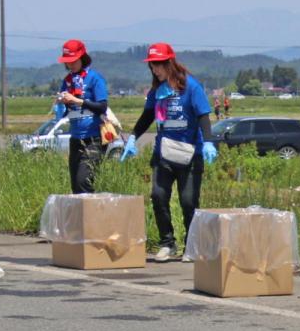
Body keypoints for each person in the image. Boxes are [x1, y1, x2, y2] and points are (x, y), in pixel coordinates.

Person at [120, 43, 218, 262]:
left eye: (159, 64)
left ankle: (193, 245)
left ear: (170, 63)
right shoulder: (157, 91)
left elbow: (203, 115)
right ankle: (167, 243)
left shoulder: (191, 86)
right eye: (152, 66)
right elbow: (147, 116)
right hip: (164, 153)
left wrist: (208, 142)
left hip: (189, 154)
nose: (155, 69)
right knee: (158, 196)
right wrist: (133, 137)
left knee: (188, 201)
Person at [53, 40, 109, 194]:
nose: (70, 65)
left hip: (94, 138)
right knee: (76, 187)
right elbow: (65, 112)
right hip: (76, 139)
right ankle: (82, 210)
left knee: (83, 180)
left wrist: (79, 101)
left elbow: (102, 106)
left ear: (82, 58)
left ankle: (91, 209)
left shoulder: (94, 78)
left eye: (74, 61)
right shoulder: (67, 81)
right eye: (67, 62)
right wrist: (62, 103)